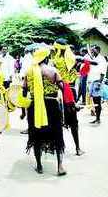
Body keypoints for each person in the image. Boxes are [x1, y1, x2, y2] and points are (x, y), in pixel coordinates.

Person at [23, 46, 67, 176]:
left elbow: (24, 90)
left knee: (36, 133)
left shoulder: (29, 71)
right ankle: (60, 167)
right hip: (52, 105)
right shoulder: (53, 70)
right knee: (57, 134)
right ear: (46, 57)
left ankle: (39, 165)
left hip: (35, 106)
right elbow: (62, 87)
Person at [52, 38, 84, 156]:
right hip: (69, 90)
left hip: (57, 91)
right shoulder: (72, 59)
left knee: (54, 121)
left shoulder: (54, 60)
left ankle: (54, 147)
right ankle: (78, 148)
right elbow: (78, 72)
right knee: (74, 123)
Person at [87, 45, 108, 122]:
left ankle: (98, 118)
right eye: (91, 50)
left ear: (98, 50)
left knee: (97, 101)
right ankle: (97, 118)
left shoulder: (101, 59)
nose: (92, 51)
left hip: (97, 82)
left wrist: (99, 82)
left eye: (94, 50)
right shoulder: (94, 58)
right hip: (92, 81)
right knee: (95, 100)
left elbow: (103, 72)